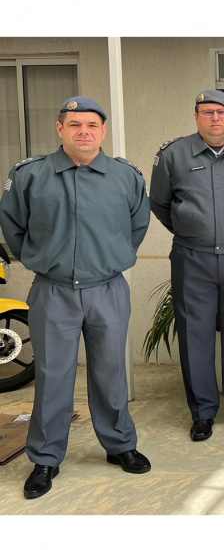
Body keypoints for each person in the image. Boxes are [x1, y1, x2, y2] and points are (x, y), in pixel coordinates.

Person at [0, 96, 151, 499]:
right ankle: (46, 458)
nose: (83, 131)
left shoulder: (125, 176)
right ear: (60, 129)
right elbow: (13, 227)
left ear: (103, 131)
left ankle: (120, 445)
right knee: (52, 376)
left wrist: (108, 259)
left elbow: (137, 226)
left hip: (107, 288)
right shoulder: (31, 175)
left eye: (91, 125)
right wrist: (43, 259)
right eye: (74, 124)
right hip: (54, 291)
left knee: (110, 372)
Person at [149, 90, 224, 442]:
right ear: (196, 116)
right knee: (195, 337)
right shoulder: (173, 155)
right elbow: (160, 203)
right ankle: (202, 412)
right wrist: (191, 227)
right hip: (193, 258)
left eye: (222, 112)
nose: (215, 118)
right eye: (207, 112)